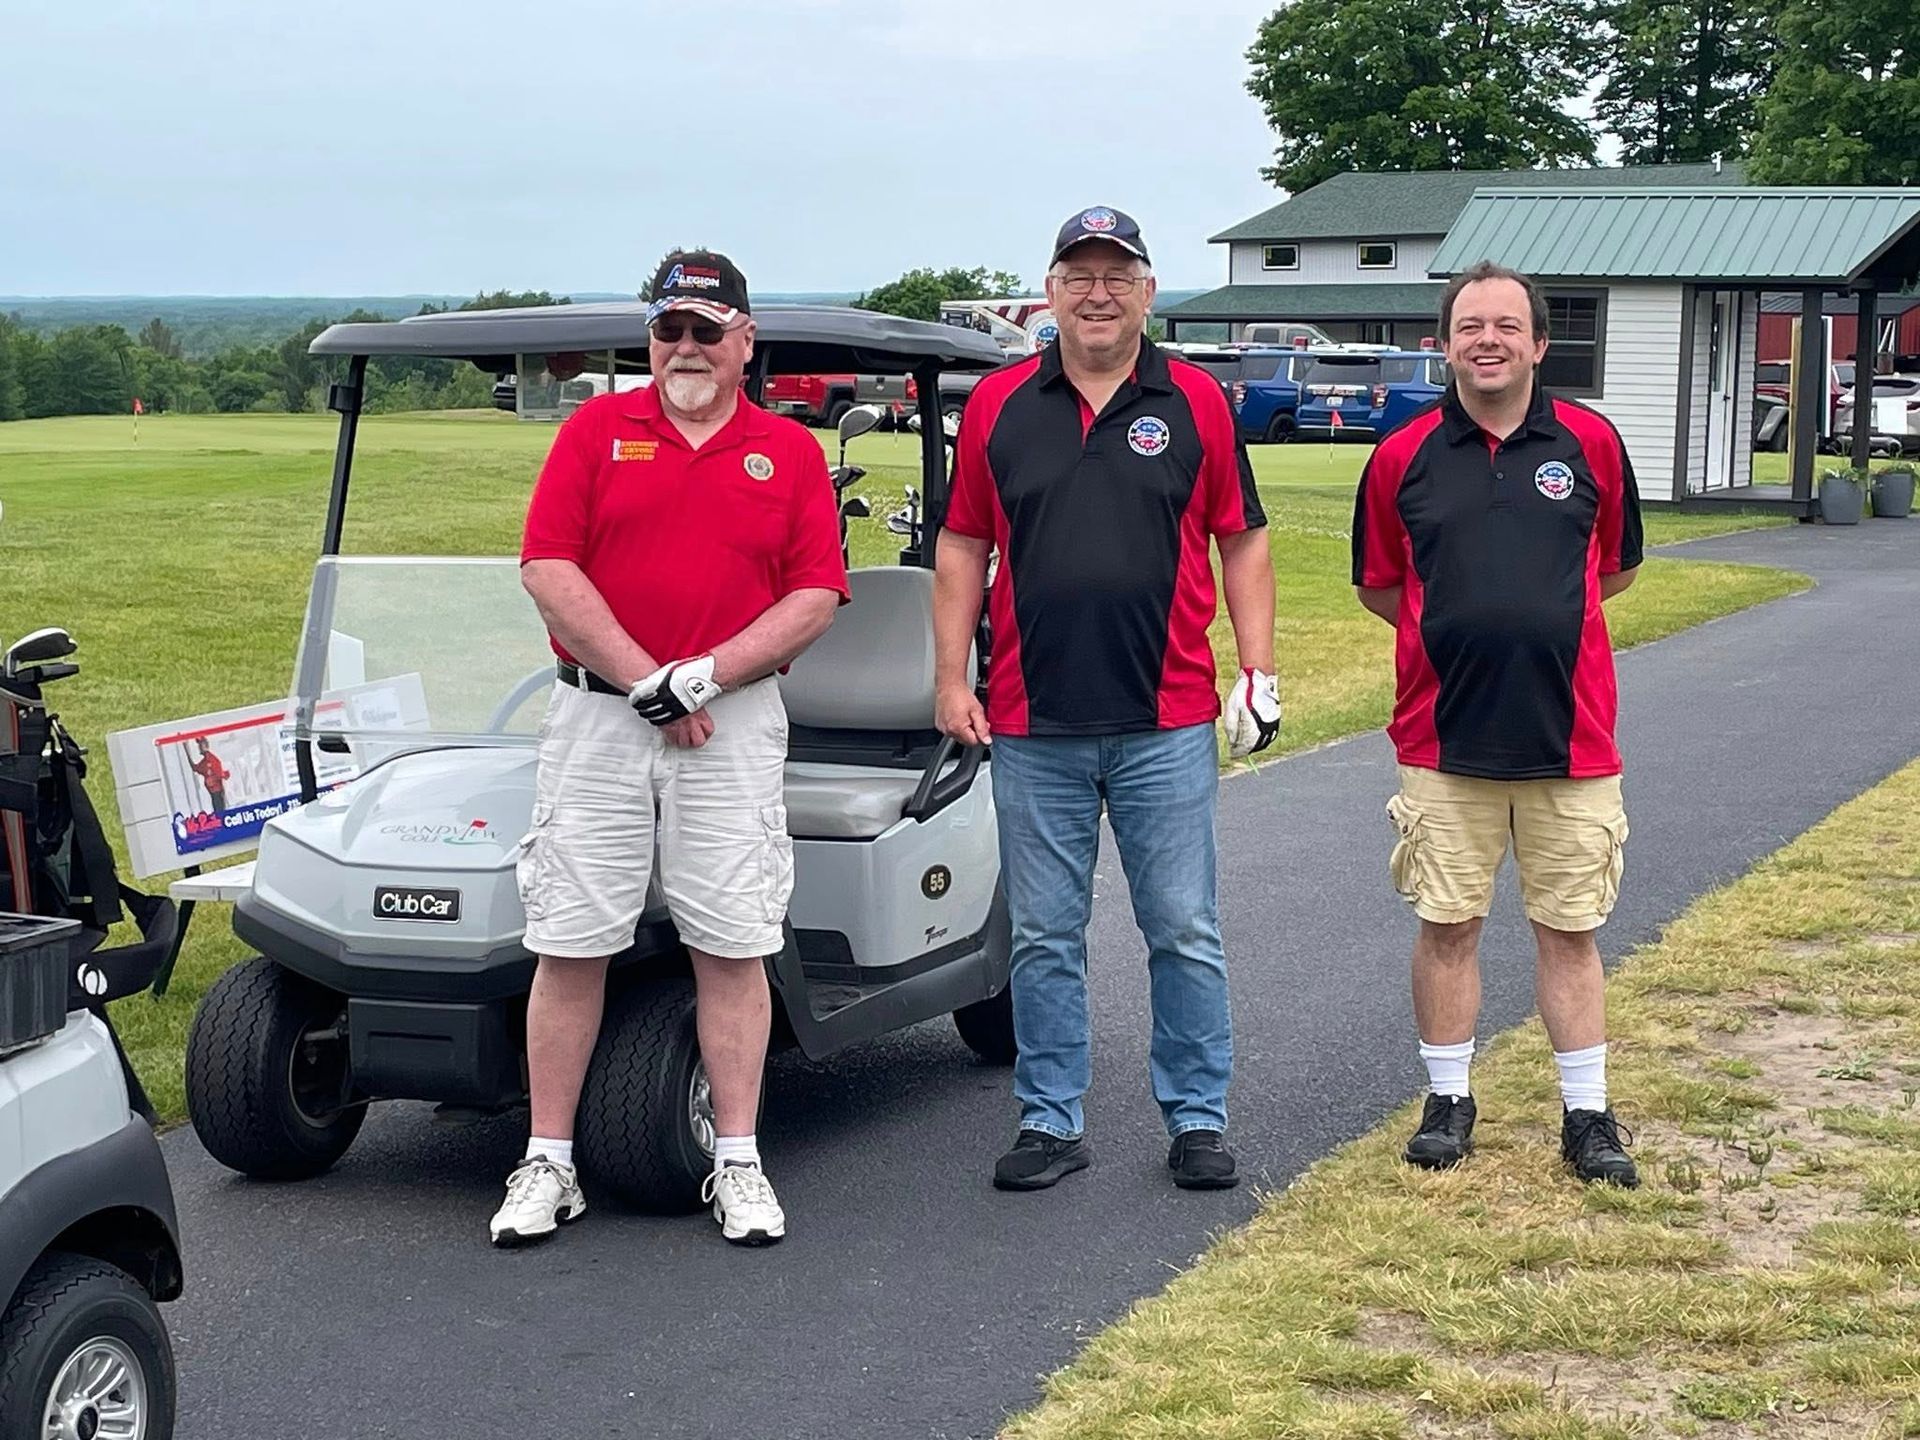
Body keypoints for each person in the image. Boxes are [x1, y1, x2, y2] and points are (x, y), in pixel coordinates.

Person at [491, 249, 849, 1247]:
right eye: (668, 331)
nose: (685, 348)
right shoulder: (598, 431)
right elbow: (548, 569)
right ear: (651, 340)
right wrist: (651, 680)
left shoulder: (787, 452)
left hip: (729, 724)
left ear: (744, 340)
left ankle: (737, 1160)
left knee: (732, 940)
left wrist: (705, 677)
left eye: (705, 329)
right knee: (570, 937)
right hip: (599, 718)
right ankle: (548, 1162)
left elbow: (814, 594)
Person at [934, 206, 1280, 1193]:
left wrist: (1257, 669)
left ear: (1146, 290)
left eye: (1116, 274)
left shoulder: (1199, 402)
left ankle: (1198, 1120)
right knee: (1044, 936)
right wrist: (950, 674)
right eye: (1079, 274)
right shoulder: (1002, 405)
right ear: (1049, 291)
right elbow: (963, 545)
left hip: (1165, 716)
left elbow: (1242, 536)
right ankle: (1050, 1121)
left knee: (1182, 929)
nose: (1098, 292)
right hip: (1034, 720)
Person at [1350, 259, 1645, 1186]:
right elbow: (1380, 585)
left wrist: (1536, 622)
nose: (1487, 339)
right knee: (1448, 925)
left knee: (1569, 930)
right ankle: (1448, 1100)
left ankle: (1587, 1114)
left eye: (1506, 326)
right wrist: (1462, 630)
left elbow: (1616, 569)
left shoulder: (1591, 444)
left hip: (1573, 739)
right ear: (1443, 342)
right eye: (1469, 325)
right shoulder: (1402, 458)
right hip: (1443, 740)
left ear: (1539, 344)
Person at [189, 738, 229, 816]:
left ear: (205, 746)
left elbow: (220, 775)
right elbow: (196, 768)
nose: (199, 747)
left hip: (217, 793)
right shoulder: (205, 761)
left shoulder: (212, 760)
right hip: (213, 793)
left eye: (201, 745)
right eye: (199, 745)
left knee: (220, 813)